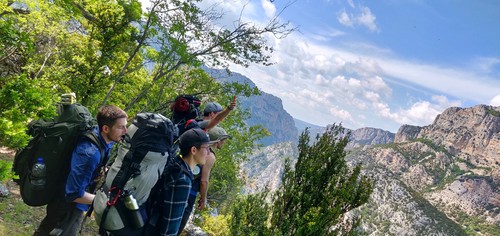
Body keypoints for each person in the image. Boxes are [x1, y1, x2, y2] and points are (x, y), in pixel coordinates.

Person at [34, 105, 127, 236]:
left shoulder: (103, 139)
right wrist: (104, 201)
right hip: (66, 206)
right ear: (105, 128)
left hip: (76, 202)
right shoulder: (89, 153)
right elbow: (73, 193)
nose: (125, 131)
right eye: (120, 127)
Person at [145, 128, 213, 235]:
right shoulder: (183, 180)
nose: (209, 153)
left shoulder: (175, 163)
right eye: (206, 148)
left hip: (149, 225)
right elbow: (171, 225)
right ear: (194, 150)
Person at [177, 126, 231, 234]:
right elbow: (204, 181)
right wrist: (203, 198)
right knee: (180, 222)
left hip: (181, 184)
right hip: (190, 192)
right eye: (223, 140)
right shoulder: (210, 156)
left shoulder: (198, 148)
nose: (224, 143)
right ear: (218, 141)